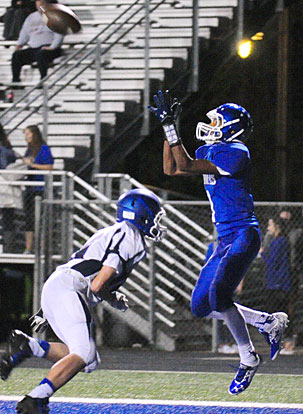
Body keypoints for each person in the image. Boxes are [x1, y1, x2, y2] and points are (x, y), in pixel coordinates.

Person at [148, 90, 289, 395]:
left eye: (216, 121)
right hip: (224, 237)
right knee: (201, 305)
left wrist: (173, 129)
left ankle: (248, 357)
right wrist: (167, 128)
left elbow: (182, 166)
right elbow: (171, 168)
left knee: (220, 294)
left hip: (243, 234)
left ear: (231, 127)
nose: (210, 125)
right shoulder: (206, 151)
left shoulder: (237, 151)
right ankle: (266, 322)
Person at [0, 188, 167, 414]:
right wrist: (113, 298)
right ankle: (36, 398)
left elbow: (86, 268)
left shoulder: (112, 231)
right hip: (70, 288)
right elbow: (98, 285)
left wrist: (46, 309)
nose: (157, 222)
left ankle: (28, 346)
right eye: (154, 216)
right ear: (139, 213)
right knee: (83, 353)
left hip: (59, 285)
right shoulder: (131, 236)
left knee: (88, 360)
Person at [11, 0, 64, 84]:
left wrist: (52, 47)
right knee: (17, 55)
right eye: (38, 4)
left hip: (50, 48)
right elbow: (25, 32)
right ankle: (16, 81)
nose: (39, 6)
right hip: (34, 48)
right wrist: (19, 44)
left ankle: (43, 79)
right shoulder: (31, 17)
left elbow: (59, 34)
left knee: (42, 54)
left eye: (42, 3)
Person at [22, 125, 54, 254]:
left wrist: (33, 165)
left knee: (39, 218)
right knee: (29, 219)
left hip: (39, 188)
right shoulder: (29, 150)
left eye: (28, 134)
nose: (26, 137)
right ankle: (29, 248)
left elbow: (49, 167)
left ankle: (41, 248)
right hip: (29, 188)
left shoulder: (43, 149)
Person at [0, 123, 17, 253]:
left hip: (4, 184)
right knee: (7, 218)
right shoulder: (6, 146)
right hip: (5, 185)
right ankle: (8, 246)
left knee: (7, 217)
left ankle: (8, 246)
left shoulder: (4, 148)